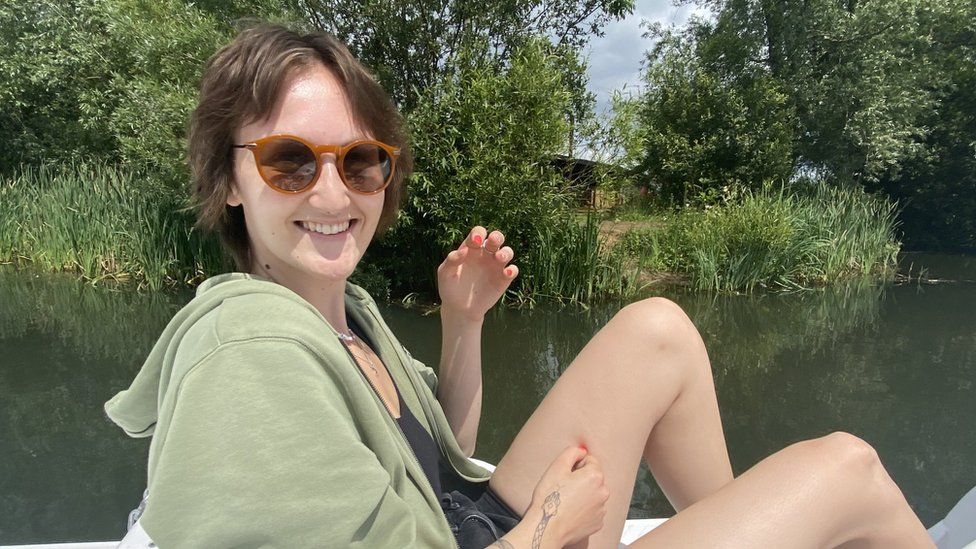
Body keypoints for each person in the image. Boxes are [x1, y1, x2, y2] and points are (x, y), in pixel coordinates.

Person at [105, 24, 934, 548]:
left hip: (469, 527)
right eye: (291, 161)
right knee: (848, 466)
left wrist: (462, 323)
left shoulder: (342, 314)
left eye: (360, 161)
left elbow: (439, 458)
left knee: (659, 329)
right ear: (231, 182)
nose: (333, 193)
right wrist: (545, 528)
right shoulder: (249, 348)